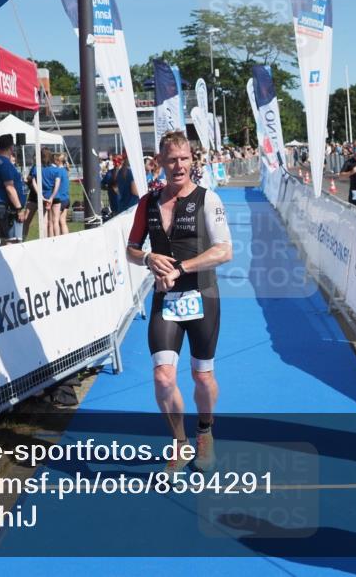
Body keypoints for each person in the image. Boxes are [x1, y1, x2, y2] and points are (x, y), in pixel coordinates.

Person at [126, 132, 232, 473]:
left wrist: (182, 268)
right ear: (159, 162)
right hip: (164, 299)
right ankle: (179, 442)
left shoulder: (208, 199)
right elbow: (130, 249)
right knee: (162, 377)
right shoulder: (149, 203)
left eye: (184, 158)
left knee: (202, 378)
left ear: (192, 161)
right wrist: (146, 259)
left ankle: (205, 432)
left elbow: (224, 251)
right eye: (171, 160)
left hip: (202, 296)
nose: (179, 166)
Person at [0, 134, 27, 245]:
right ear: (11, 147)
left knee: (6, 239)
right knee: (12, 241)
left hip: (0, 204)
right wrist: (19, 208)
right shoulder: (5, 164)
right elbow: (9, 188)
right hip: (7, 207)